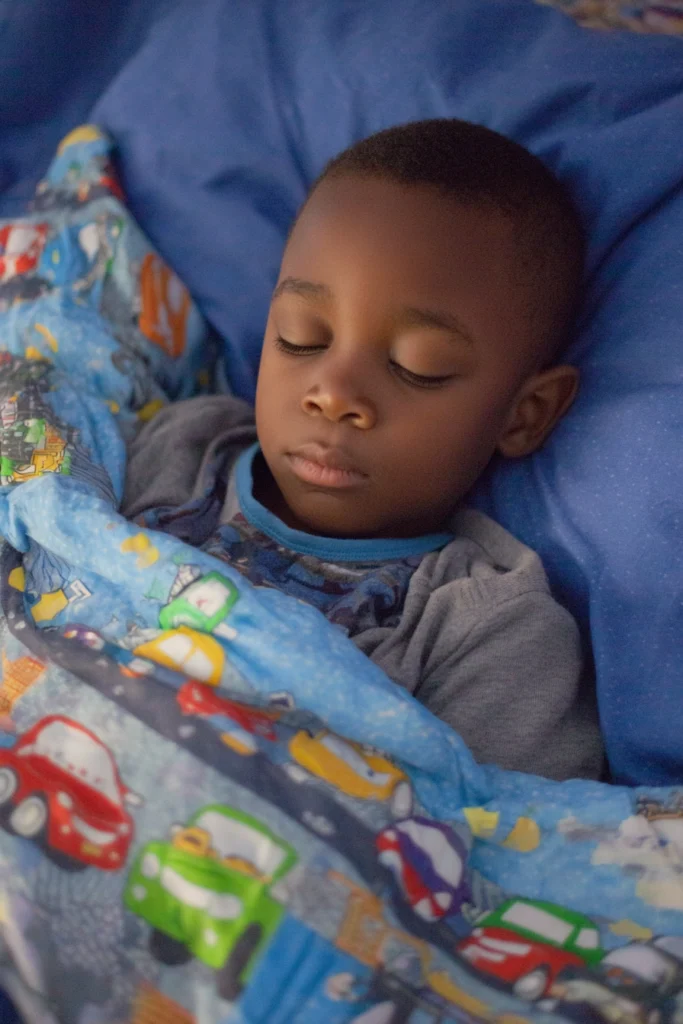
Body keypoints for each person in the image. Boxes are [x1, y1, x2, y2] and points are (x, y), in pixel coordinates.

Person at [123, 119, 603, 781]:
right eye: (302, 337)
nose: (334, 394)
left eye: (418, 366)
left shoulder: (482, 627)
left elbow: (504, 825)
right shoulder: (184, 448)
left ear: (526, 414)